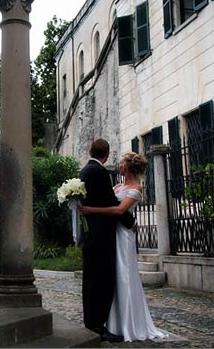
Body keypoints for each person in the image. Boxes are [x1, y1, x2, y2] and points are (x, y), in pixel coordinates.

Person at [79, 152, 167, 342]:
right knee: (110, 277)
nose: (119, 165)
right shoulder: (117, 186)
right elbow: (107, 201)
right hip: (109, 234)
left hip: (122, 236)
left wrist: (90, 210)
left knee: (123, 275)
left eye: (121, 163)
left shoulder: (136, 189)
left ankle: (128, 323)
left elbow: (119, 210)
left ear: (126, 167)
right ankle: (111, 320)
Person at [79, 138, 135, 343]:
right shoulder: (100, 173)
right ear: (107, 154)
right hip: (101, 235)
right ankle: (97, 325)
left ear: (89, 151)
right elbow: (111, 203)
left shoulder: (84, 171)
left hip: (89, 234)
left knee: (90, 281)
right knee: (102, 281)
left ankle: (90, 321)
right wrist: (130, 221)